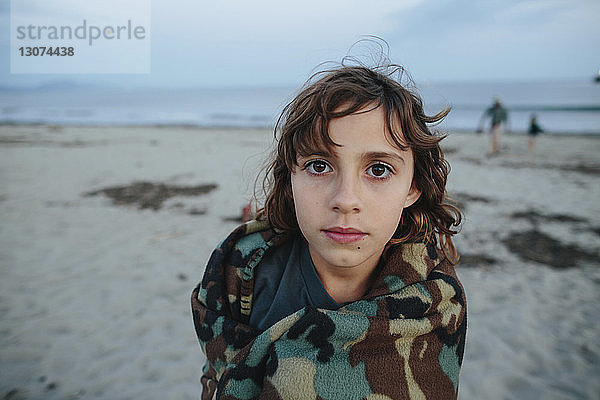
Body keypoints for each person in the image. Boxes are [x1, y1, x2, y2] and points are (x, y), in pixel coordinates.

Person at [191, 63, 467, 399]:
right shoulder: (239, 275)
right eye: (319, 166)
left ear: (413, 187)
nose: (346, 200)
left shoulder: (434, 304)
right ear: (290, 177)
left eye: (378, 169)